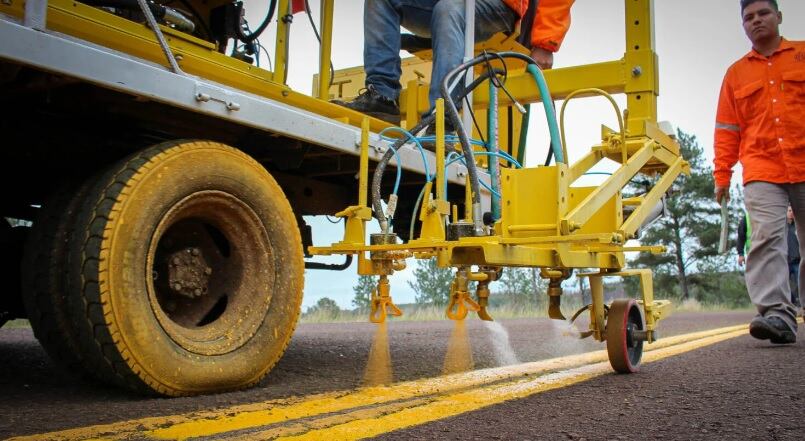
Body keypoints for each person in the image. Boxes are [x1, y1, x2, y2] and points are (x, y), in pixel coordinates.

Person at [713, 0, 805, 344]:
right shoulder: (736, 74)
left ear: (779, 17)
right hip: (762, 168)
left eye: (763, 14)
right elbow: (726, 129)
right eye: (748, 17)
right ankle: (777, 315)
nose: (756, 21)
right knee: (765, 239)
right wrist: (722, 175)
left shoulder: (801, 55)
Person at [333, 0, 575, 125]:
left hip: (498, 6)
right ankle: (382, 97)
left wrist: (545, 42)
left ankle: (444, 116)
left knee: (450, 10)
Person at [786, 205, 800, 308]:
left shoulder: (798, 226)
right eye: (789, 211)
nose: (791, 213)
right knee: (784, 284)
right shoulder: (782, 227)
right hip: (785, 261)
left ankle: (801, 303)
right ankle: (791, 303)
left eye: (792, 211)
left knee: (800, 283)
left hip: (797, 260)